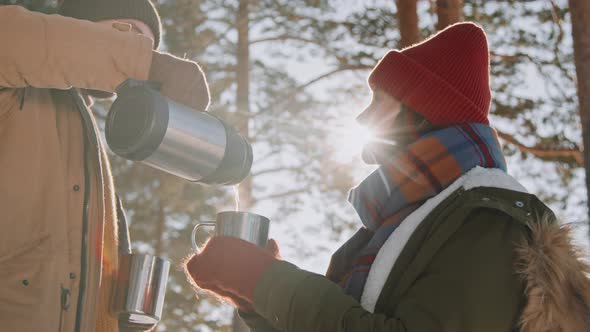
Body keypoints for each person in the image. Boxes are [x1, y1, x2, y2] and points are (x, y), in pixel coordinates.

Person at [185, 22, 590, 331]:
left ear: (420, 111)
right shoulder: (391, 229)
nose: (362, 117)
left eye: (379, 100)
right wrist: (254, 296)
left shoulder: (487, 221)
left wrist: (266, 281)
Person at [0, 1, 210, 331]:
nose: (137, 49)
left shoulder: (86, 140)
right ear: (80, 25)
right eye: (128, 36)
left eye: (148, 45)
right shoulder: (16, 81)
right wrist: (145, 63)